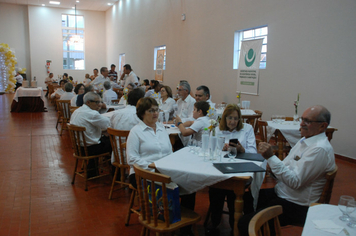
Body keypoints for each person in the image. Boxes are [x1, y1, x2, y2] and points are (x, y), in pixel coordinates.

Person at [238, 105, 335, 236]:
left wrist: (271, 158)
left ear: (322, 126)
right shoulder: (305, 140)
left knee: (245, 223)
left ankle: (254, 228)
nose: (301, 124)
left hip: (298, 204)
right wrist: (272, 168)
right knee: (245, 199)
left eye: (307, 121)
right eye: (302, 119)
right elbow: (286, 165)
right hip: (284, 192)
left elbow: (295, 182)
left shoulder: (319, 149)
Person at [206, 104, 257, 235]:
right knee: (215, 188)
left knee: (233, 190)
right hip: (220, 166)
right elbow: (210, 150)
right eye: (229, 118)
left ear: (240, 119)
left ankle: (234, 223)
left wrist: (241, 150)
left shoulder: (247, 129)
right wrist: (220, 148)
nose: (232, 121)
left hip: (239, 168)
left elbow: (253, 152)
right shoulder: (217, 129)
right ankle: (215, 220)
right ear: (224, 118)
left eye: (236, 118)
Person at [126, 97, 172, 188]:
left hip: (164, 171)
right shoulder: (136, 131)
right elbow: (132, 159)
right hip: (143, 172)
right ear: (142, 113)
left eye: (156, 110)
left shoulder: (161, 128)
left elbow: (170, 152)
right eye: (151, 111)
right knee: (166, 188)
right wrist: (152, 167)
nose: (155, 113)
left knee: (189, 184)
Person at [70, 92, 112, 177]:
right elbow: (109, 124)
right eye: (97, 102)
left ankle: (92, 169)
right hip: (90, 149)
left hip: (78, 147)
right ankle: (115, 173)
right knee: (113, 143)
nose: (99, 105)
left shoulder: (77, 111)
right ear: (88, 102)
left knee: (102, 137)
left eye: (100, 102)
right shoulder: (92, 114)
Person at [110, 88, 145, 163]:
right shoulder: (141, 116)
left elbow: (110, 128)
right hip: (136, 156)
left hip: (117, 153)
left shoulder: (116, 114)